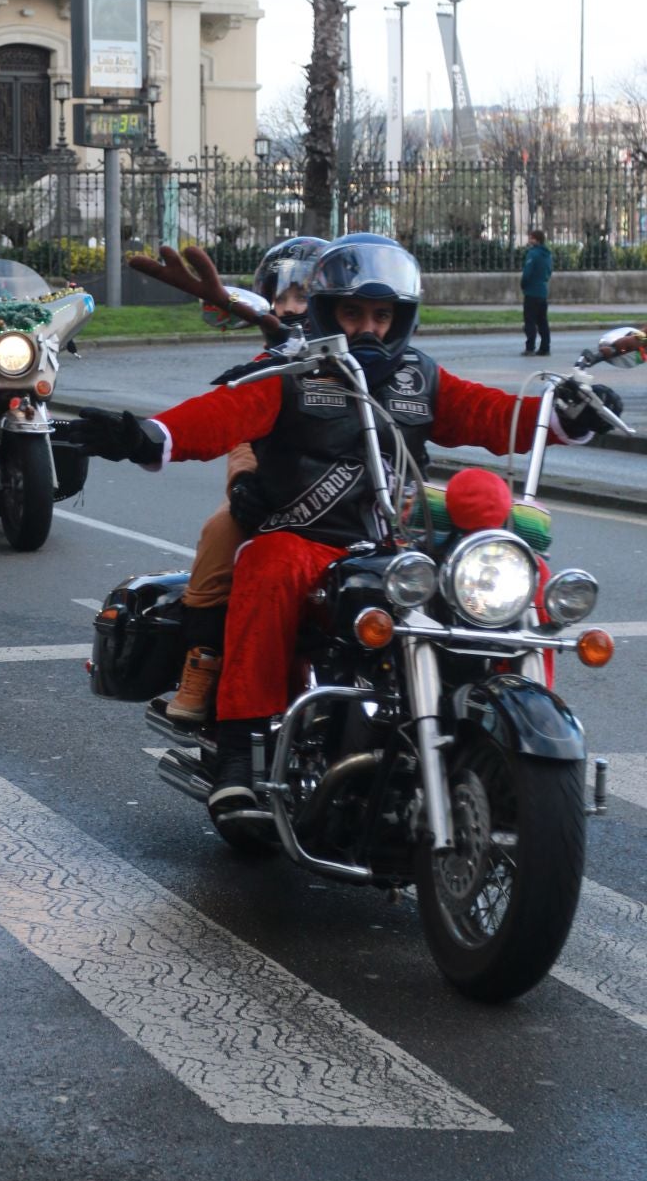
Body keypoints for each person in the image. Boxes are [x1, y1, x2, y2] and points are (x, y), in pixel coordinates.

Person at [70, 234, 623, 807]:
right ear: (327, 311)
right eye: (354, 312)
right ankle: (242, 746)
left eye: (382, 316)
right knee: (266, 561)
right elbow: (216, 415)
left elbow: (498, 416)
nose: (369, 328)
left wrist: (565, 414)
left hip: (402, 546)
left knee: (507, 573)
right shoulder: (290, 371)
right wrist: (142, 435)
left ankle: (509, 743)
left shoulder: (420, 378)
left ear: (401, 318)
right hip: (312, 540)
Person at [165, 235, 325, 723]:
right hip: (276, 495)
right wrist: (243, 486)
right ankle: (203, 660)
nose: (294, 308)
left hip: (347, 502)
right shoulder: (261, 368)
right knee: (221, 532)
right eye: (285, 298)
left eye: (305, 297)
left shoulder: (362, 365)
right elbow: (240, 437)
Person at [521, 227, 553, 357]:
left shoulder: (532, 254)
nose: (529, 240)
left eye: (531, 238)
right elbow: (549, 272)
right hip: (543, 291)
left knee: (530, 321)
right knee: (543, 321)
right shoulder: (548, 255)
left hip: (532, 292)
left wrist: (523, 285)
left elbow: (527, 273)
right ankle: (545, 347)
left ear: (536, 240)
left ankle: (530, 347)